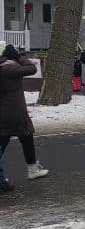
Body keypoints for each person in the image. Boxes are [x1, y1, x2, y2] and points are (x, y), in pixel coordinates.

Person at [0, 44, 49, 180]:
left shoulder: (4, 67)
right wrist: (19, 57)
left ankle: (32, 167)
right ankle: (32, 169)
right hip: (15, 112)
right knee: (20, 137)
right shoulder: (9, 68)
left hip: (6, 111)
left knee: (23, 138)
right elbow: (32, 68)